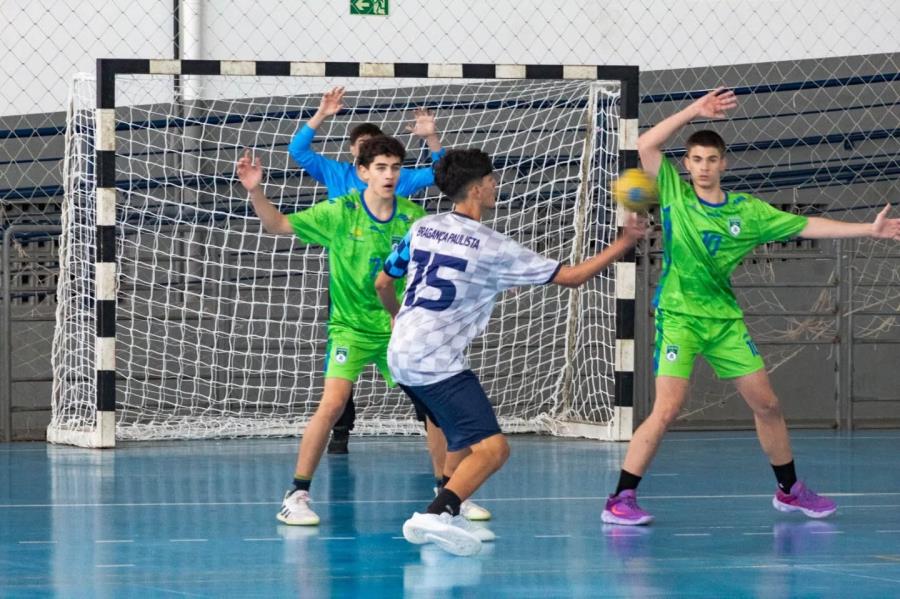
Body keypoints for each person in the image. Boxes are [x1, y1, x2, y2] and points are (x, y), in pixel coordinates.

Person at [602, 88, 900, 526]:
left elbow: (807, 224)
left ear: (723, 164)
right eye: (696, 159)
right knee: (666, 409)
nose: (703, 167)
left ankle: (789, 491)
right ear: (686, 163)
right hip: (679, 318)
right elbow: (646, 145)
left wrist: (867, 230)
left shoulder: (748, 212)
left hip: (724, 321)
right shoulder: (674, 195)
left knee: (768, 405)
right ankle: (620, 498)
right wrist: (694, 111)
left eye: (711, 160)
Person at [375, 148, 647, 555]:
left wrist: (400, 317)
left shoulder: (423, 228)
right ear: (478, 187)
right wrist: (624, 241)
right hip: (435, 361)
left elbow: (383, 282)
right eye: (492, 180)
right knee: (494, 449)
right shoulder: (492, 246)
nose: (496, 186)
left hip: (402, 352)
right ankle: (436, 514)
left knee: (461, 440)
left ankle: (454, 506)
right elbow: (571, 278)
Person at [288, 86, 446, 454]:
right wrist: (321, 114)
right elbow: (297, 151)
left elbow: (441, 173)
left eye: (379, 148)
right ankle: (340, 430)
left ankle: (429, 424)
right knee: (340, 373)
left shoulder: (397, 184)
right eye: (363, 148)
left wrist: (431, 137)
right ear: (356, 158)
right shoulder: (336, 174)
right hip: (349, 284)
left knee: (417, 374)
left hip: (393, 288)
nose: (372, 154)